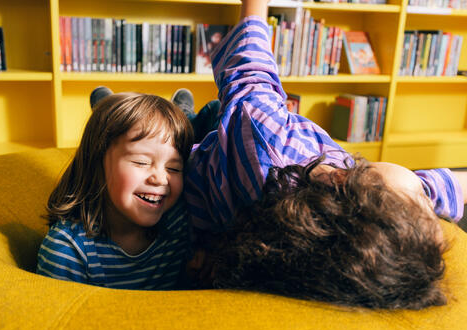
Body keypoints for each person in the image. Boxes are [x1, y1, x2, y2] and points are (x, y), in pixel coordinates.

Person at [181, 0, 467, 309]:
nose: (427, 193)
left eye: (422, 198)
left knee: (196, 119)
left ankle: (181, 116)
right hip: (233, 180)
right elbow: (433, 188)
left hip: (211, 159)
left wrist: (256, 4)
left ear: (342, 178)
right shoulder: (344, 234)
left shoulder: (268, 141)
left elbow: (250, 72)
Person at [36, 91, 194, 290]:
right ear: (97, 163)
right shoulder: (68, 250)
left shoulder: (178, 224)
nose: (161, 178)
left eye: (174, 168)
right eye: (142, 162)